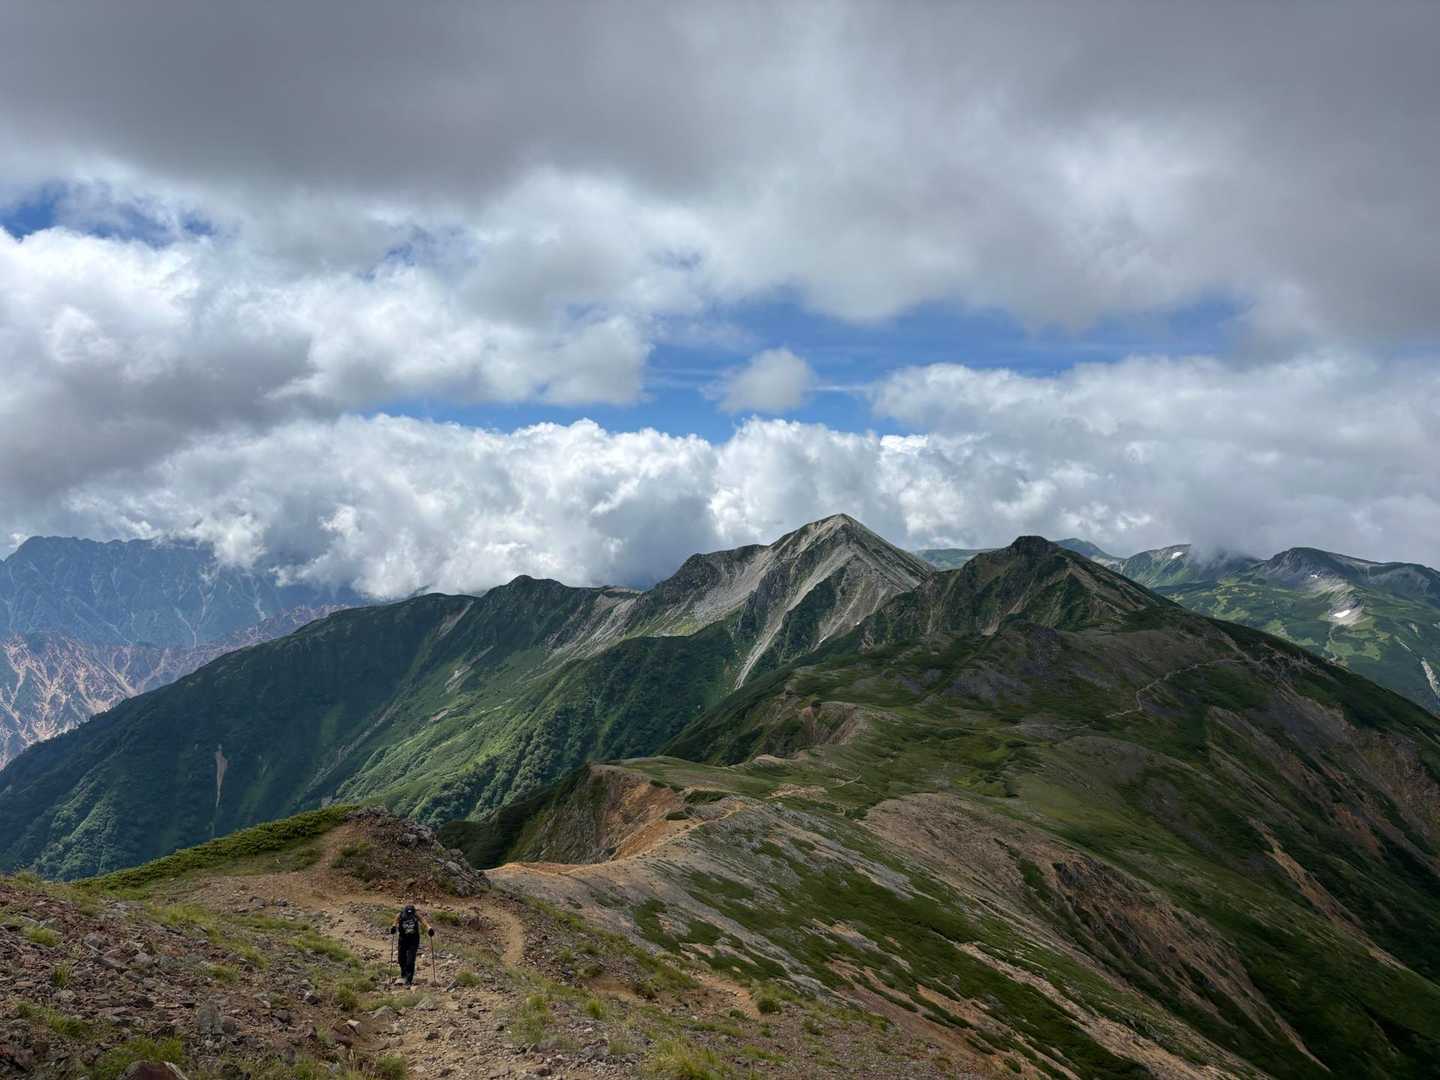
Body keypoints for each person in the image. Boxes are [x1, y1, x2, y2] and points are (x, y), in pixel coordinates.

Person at [388, 903, 433, 986]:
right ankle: (403, 972)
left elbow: (423, 921)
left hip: (413, 940)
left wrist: (429, 928)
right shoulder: (400, 915)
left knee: (410, 960)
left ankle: (408, 980)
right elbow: (395, 922)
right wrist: (393, 927)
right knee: (401, 959)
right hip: (403, 939)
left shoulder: (416, 914)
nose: (409, 916)